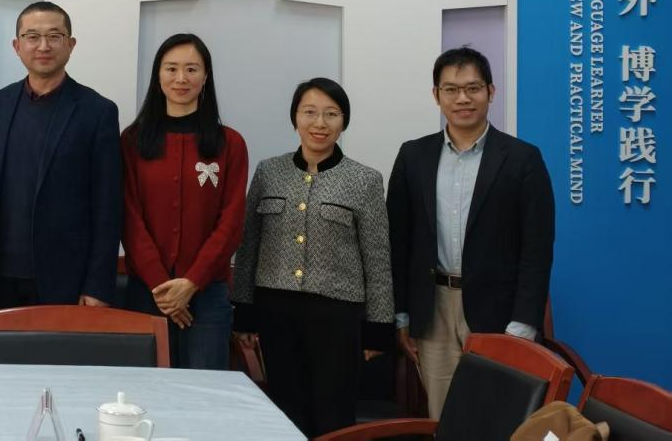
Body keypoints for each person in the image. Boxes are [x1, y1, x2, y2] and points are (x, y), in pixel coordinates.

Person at [387, 46, 554, 420]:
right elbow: (399, 243)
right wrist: (402, 314)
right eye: (451, 89)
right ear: (437, 95)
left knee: (498, 416)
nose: (462, 98)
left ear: (491, 92)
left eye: (473, 88)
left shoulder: (523, 159)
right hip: (432, 308)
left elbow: (537, 249)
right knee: (443, 416)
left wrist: (523, 325)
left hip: (500, 312)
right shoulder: (413, 156)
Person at [232, 77, 393, 438]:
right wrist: (243, 310)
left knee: (334, 414)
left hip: (338, 317)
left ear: (343, 121)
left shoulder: (365, 179)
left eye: (331, 114)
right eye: (310, 112)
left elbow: (377, 259)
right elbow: (249, 244)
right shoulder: (268, 172)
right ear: (295, 118)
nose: (320, 123)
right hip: (276, 311)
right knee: (285, 411)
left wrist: (378, 328)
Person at [0, 1, 121, 310]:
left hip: (66, 280)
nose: (43, 46)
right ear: (17, 46)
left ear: (70, 44)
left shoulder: (97, 111)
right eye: (32, 36)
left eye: (54, 36)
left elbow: (108, 206)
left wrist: (98, 284)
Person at [121, 33, 248, 369]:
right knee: (144, 392)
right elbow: (129, 217)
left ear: (205, 77)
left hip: (208, 296)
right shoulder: (132, 141)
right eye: (171, 68)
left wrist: (191, 284)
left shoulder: (230, 143)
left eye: (191, 69)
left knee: (203, 393)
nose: (181, 78)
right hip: (147, 293)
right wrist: (163, 289)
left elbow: (231, 222)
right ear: (157, 76)